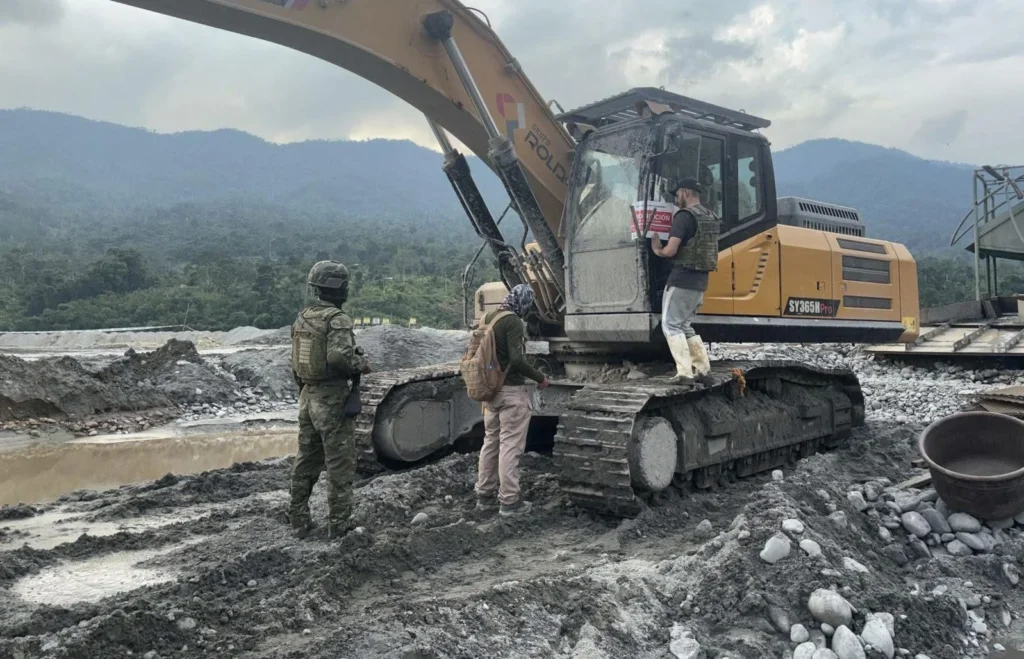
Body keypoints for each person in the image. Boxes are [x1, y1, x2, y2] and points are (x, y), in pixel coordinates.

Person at [287, 260, 371, 539]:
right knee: (340, 464)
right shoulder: (338, 319)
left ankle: (298, 518)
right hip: (331, 399)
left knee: (306, 460)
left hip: (307, 396)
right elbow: (338, 357)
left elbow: (297, 361)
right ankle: (340, 524)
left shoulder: (303, 317)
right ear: (339, 287)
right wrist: (359, 364)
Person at [474, 284, 551, 516]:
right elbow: (517, 360)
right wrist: (540, 378)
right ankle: (509, 501)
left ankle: (484, 496)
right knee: (510, 446)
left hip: (490, 391)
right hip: (510, 392)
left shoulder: (488, 316)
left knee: (491, 443)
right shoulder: (513, 322)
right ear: (524, 303)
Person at [650, 177, 720, 384]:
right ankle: (703, 370)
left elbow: (671, 250)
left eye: (677, 194)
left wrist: (657, 249)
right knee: (685, 325)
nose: (676, 198)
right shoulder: (710, 216)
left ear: (686, 193)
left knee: (670, 325)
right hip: (700, 280)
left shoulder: (684, 217)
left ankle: (684, 373)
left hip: (681, 279)